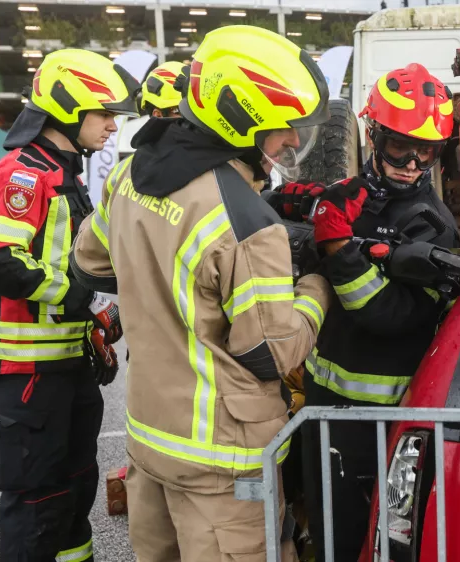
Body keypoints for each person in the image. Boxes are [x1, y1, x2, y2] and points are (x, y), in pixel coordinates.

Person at [70, 26, 333, 561]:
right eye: (282, 129)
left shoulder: (127, 175)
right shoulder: (247, 222)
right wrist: (316, 287)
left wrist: (160, 282)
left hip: (150, 443)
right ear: (240, 122)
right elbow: (269, 352)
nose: (290, 141)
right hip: (223, 461)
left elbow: (89, 264)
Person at [272, 62, 460, 562]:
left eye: (428, 150)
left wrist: (338, 250)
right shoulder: (352, 197)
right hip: (321, 403)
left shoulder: (433, 229)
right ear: (374, 133)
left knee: (368, 541)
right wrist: (301, 211)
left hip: (380, 422)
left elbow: (386, 313)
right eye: (401, 145)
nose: (414, 162)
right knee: (324, 528)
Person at [0, 49, 136, 561]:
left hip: (65, 365)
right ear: (68, 109)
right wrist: (83, 299)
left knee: (73, 494)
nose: (112, 126)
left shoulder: (65, 173)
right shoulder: (22, 174)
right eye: (104, 113)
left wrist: (93, 321)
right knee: (36, 503)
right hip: (26, 370)